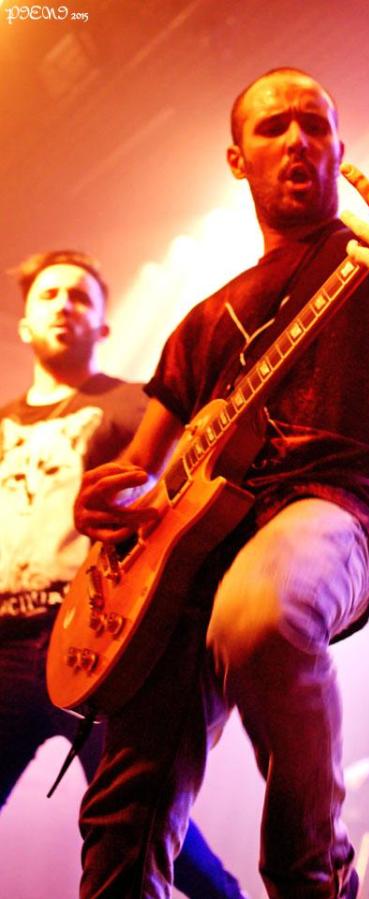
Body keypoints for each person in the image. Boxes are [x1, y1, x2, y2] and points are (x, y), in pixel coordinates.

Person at [74, 67, 369, 899]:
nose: (297, 139)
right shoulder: (202, 322)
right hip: (188, 556)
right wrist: (112, 504)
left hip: (331, 508)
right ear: (237, 159)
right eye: (273, 127)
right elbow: (143, 476)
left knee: (261, 614)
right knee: (122, 813)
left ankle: (313, 874)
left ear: (339, 147)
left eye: (314, 125)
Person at [0, 249, 247, 899]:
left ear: (105, 325)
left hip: (92, 640)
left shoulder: (136, 406)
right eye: (49, 295)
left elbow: (182, 489)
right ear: (23, 324)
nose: (64, 305)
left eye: (80, 296)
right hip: (3, 642)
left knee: (140, 822)